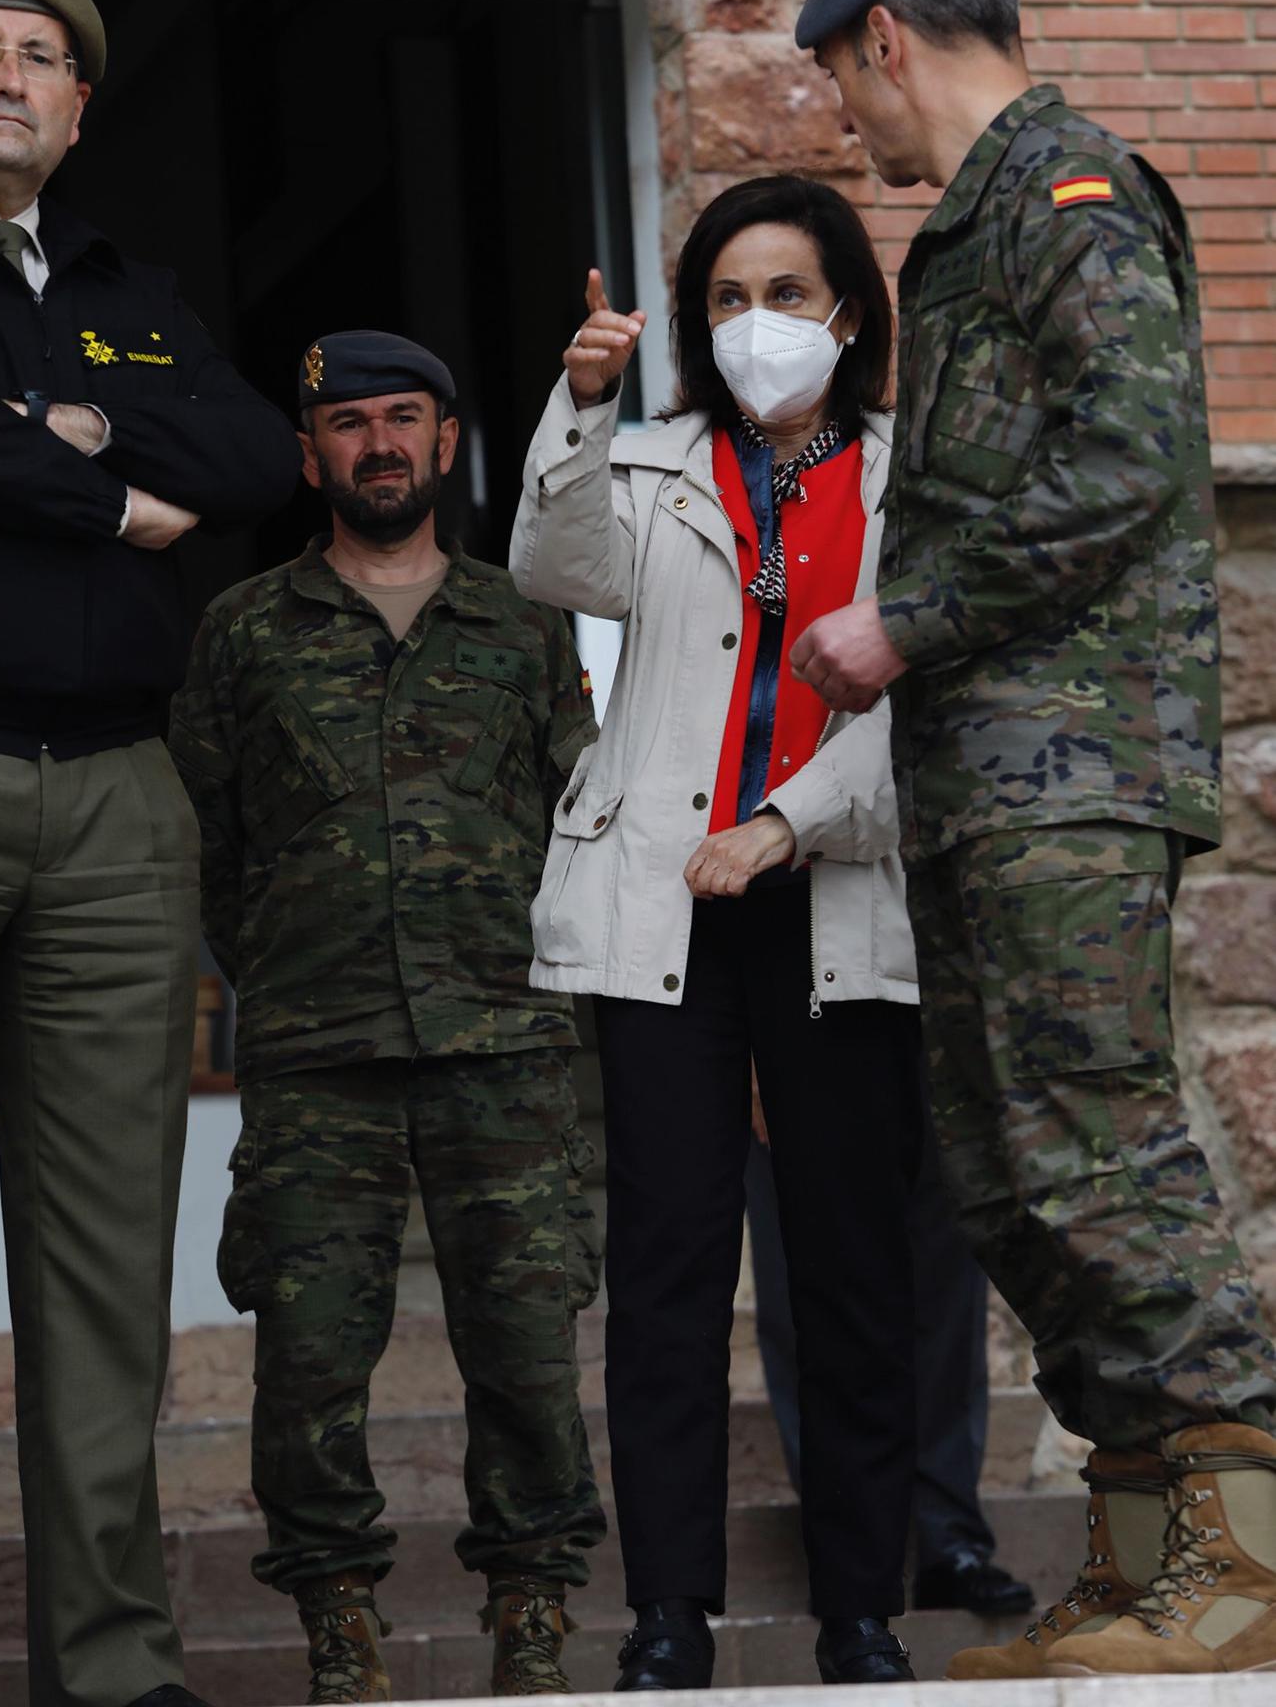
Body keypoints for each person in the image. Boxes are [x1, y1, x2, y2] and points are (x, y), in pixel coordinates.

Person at [789, 0, 1276, 1681]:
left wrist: (904, 622)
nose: (852, 120)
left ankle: (1251, 1546)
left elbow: (1134, 460)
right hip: (997, 779)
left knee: (1096, 1143)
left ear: (889, 39)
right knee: (1008, 1170)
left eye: (847, 83)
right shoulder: (982, 219)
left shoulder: (1068, 191)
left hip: (1070, 763)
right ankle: (1156, 1562)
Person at [511, 177, 923, 1688]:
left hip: (836, 894)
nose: (760, 327)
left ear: (850, 313)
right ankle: (668, 1614)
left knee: (851, 1272)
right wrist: (577, 399)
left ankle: (859, 1613)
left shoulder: (908, 476)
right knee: (671, 1272)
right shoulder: (654, 462)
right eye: (730, 300)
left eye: (790, 295)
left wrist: (788, 823)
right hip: (669, 907)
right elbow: (553, 569)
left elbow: (917, 707)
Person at [0, 0, 301, 1707]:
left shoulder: (128, 289)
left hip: (114, 794)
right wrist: (106, 487)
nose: (9, 75)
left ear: (82, 107)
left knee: (101, 1263)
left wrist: (60, 425)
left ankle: (107, 1664)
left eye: (41, 57)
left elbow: (254, 459)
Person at [169, 330, 606, 1703]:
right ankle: (338, 1624)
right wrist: (295, 969)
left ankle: (532, 1615)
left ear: (447, 440)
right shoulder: (244, 630)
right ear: (309, 456)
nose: (378, 445)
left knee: (528, 1348)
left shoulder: (526, 627)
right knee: (307, 1358)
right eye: (349, 423)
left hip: (509, 1046)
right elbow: (212, 847)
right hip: (318, 1058)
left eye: (402, 418)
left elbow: (582, 820)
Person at [744, 1095, 1035, 1618]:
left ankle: (948, 1540)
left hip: (931, 1028)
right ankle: (844, 1546)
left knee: (945, 1279)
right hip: (796, 1027)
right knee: (804, 1275)